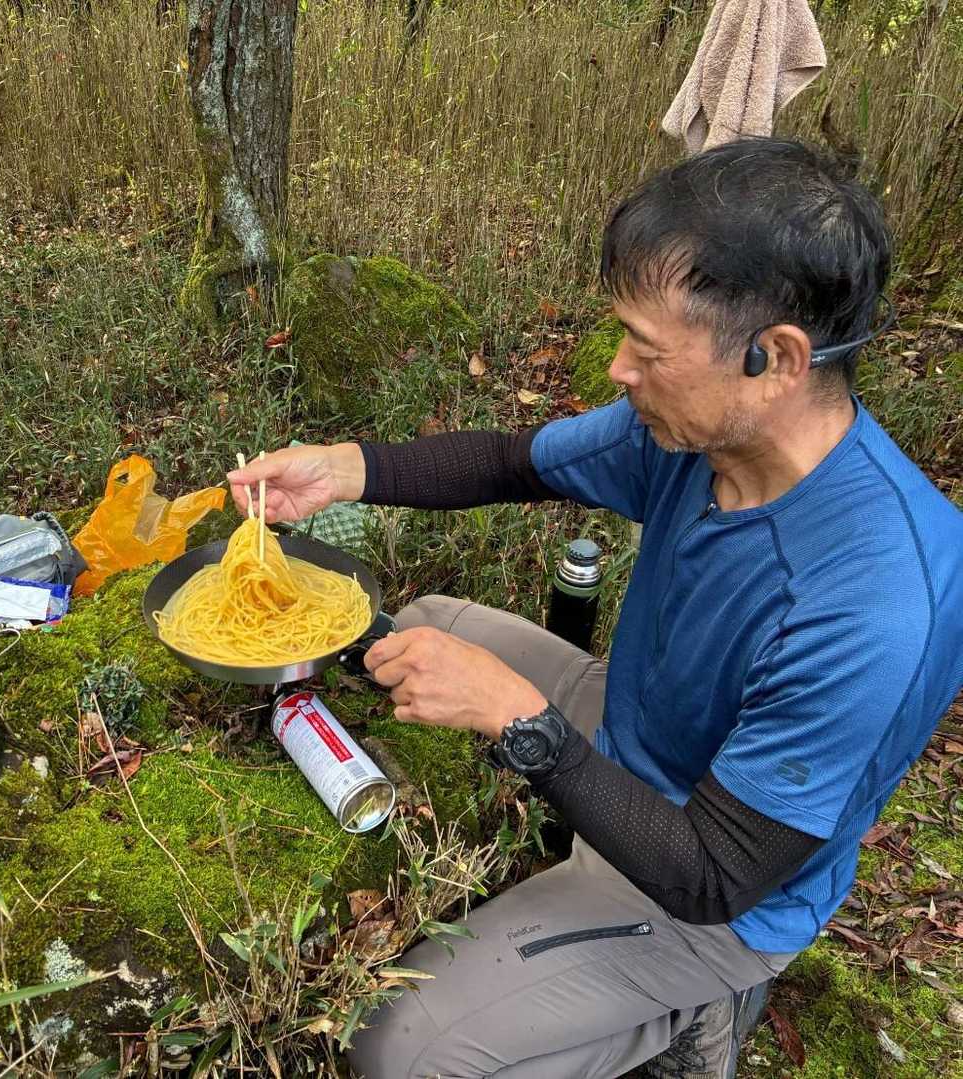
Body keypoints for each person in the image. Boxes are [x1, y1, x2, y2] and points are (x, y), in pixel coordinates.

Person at [227, 138, 963, 1079]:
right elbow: (511, 463)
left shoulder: (875, 606)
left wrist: (518, 720)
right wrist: (341, 469)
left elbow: (714, 873)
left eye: (645, 350)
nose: (617, 369)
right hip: (634, 729)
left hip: (716, 892)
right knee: (422, 627)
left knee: (398, 1049)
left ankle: (691, 1016)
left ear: (773, 358)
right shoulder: (696, 434)